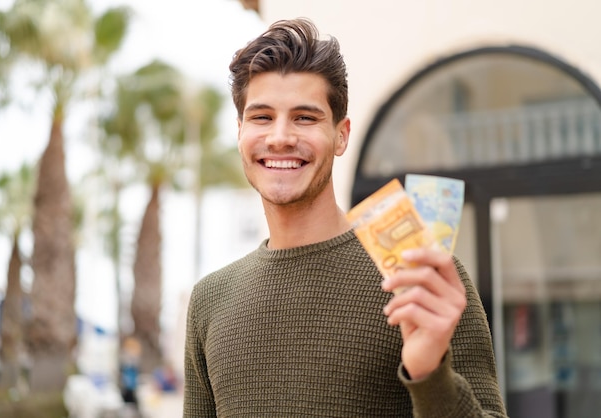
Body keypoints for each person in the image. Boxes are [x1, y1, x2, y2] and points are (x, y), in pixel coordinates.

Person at [184, 17, 507, 417]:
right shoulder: (209, 301)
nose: (280, 136)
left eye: (305, 117)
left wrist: (429, 373)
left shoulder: (422, 277)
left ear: (341, 134)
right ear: (239, 131)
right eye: (262, 117)